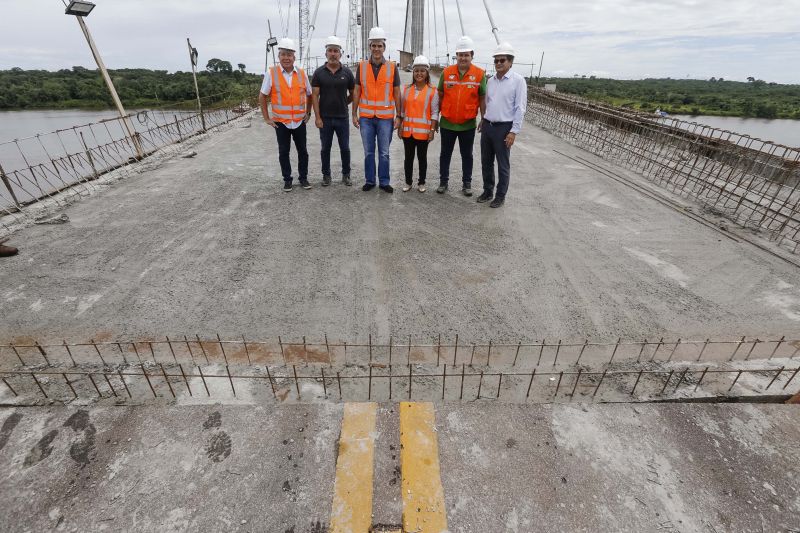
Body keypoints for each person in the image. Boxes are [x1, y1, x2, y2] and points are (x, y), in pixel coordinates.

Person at [258, 38, 313, 192]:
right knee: (284, 152)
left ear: (294, 57)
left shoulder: (302, 74)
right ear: (279, 56)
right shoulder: (271, 73)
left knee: (303, 151)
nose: (286, 58)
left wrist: (308, 112)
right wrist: (267, 118)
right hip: (281, 122)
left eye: (289, 55)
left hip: (298, 121)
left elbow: (310, 94)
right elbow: (262, 95)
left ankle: (303, 178)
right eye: (283, 54)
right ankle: (287, 180)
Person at [351, 27, 402, 193]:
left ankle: (384, 182)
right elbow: (357, 91)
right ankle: (370, 180)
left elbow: (396, 93)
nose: (376, 49)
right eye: (373, 45)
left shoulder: (392, 68)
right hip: (366, 117)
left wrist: (399, 116)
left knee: (384, 152)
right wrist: (354, 113)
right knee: (368, 152)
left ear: (384, 47)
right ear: (370, 47)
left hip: (385, 118)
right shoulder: (362, 66)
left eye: (379, 45)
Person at [479, 41, 527, 208]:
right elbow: (488, 103)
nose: (498, 63)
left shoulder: (518, 81)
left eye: (502, 60)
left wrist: (513, 132)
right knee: (486, 161)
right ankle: (487, 191)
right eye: (496, 60)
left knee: (503, 164)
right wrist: (483, 119)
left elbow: (520, 108)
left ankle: (500, 196)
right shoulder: (490, 81)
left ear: (510, 62)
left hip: (504, 128)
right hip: (488, 126)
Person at [436, 36, 486, 197]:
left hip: (468, 124)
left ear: (472, 55)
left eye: (466, 55)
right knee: (445, 154)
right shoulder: (446, 72)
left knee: (467, 155)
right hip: (447, 123)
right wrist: (436, 117)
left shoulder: (479, 74)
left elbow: (482, 98)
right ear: (456, 56)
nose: (463, 58)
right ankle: (443, 182)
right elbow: (440, 95)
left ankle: (467, 183)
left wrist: (483, 118)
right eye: (460, 54)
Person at [311, 36, 355, 186]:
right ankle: (326, 175)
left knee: (345, 148)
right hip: (325, 118)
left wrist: (344, 103)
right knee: (325, 148)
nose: (333, 53)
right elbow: (314, 96)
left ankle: (346, 174)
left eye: (336, 51)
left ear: (340, 54)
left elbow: (354, 94)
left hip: (342, 118)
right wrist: (317, 117)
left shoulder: (347, 73)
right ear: (326, 54)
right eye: (330, 50)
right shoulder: (318, 73)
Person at [398, 55, 439, 192]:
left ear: (427, 73)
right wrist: (400, 127)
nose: (419, 74)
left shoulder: (433, 91)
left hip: (423, 132)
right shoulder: (406, 90)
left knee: (422, 158)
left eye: (422, 71)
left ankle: (422, 182)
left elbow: (434, 113)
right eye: (416, 71)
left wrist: (432, 130)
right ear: (413, 72)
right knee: (408, 159)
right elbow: (402, 111)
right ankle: (408, 182)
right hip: (408, 132)